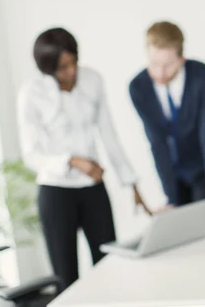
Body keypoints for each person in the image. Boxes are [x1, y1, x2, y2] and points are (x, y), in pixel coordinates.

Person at [17, 27, 151, 293]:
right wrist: (73, 161)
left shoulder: (93, 80)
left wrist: (132, 184)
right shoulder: (31, 93)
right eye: (62, 67)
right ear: (47, 68)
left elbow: (109, 134)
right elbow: (32, 155)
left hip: (92, 190)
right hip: (56, 192)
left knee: (109, 266)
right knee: (65, 277)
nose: (71, 71)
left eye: (73, 62)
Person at [129, 21, 205, 210]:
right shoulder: (138, 87)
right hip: (172, 171)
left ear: (181, 59)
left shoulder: (203, 76)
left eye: (168, 65)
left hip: (203, 169)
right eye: (154, 64)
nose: (160, 73)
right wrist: (171, 199)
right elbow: (157, 142)